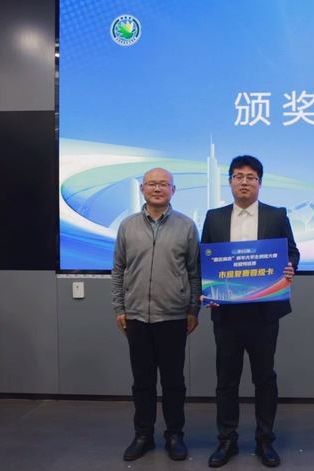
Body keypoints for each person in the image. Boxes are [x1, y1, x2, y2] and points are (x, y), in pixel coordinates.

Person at [201, 155, 299, 468]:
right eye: (238, 176)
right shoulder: (214, 217)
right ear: (230, 181)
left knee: (264, 379)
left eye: (251, 177)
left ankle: (264, 440)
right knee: (226, 381)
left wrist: (289, 267)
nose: (244, 182)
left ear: (260, 182)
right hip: (226, 314)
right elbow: (205, 259)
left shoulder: (276, 215)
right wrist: (208, 290)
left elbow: (292, 252)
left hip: (264, 313)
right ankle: (227, 441)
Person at [111, 167, 202, 461]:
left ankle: (175, 435)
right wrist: (120, 307)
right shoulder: (127, 226)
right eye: (152, 184)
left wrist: (193, 309)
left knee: (174, 382)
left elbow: (194, 272)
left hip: (174, 316)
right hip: (136, 316)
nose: (158, 188)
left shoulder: (186, 226)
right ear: (142, 189)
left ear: (173, 190)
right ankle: (143, 435)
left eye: (164, 184)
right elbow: (118, 269)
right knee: (142, 382)